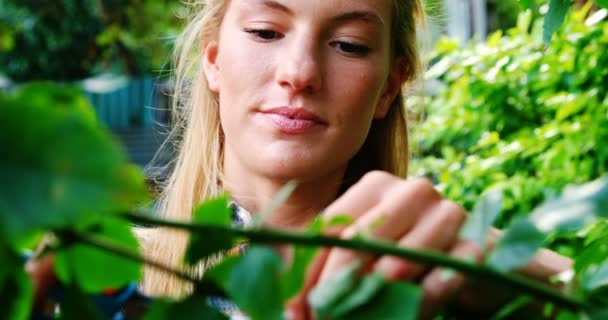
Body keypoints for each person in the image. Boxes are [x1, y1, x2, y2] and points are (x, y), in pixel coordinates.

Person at [30, 0, 571, 318]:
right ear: (213, 62)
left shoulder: (455, 280)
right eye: (266, 31)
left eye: (350, 44)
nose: (300, 72)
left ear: (389, 86)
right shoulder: (97, 281)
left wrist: (544, 285)